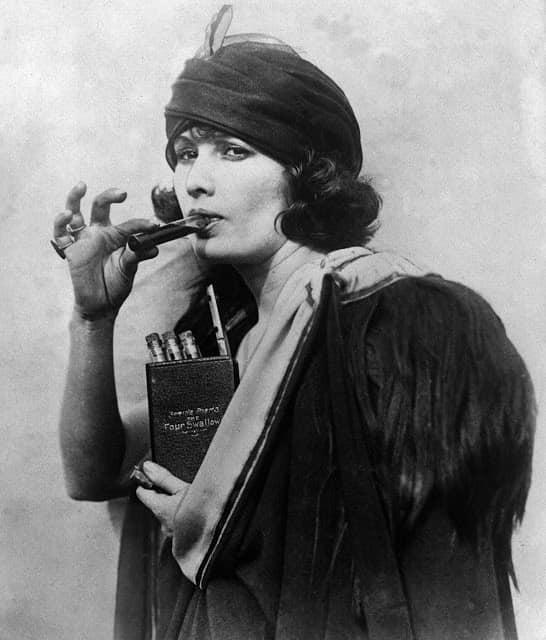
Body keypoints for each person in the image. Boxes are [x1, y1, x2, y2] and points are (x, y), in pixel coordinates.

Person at [54, 7, 535, 640]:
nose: (196, 181)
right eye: (186, 154)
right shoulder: (223, 334)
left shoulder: (398, 319)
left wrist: (218, 525)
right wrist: (93, 317)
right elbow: (94, 476)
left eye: (233, 151)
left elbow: (438, 577)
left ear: (309, 176)